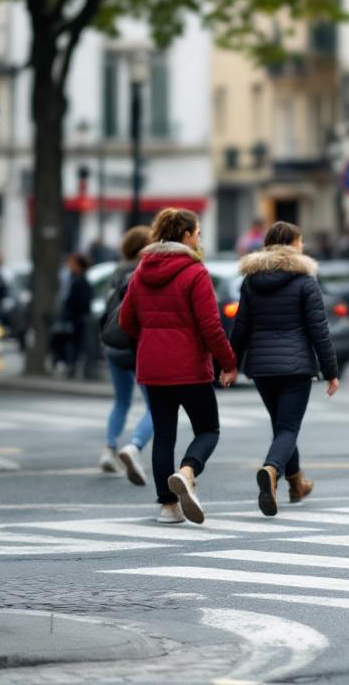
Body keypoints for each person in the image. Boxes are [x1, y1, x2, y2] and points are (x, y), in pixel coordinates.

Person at [120, 208, 238, 524]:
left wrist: (151, 341)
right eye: (198, 232)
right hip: (189, 367)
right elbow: (211, 326)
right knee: (208, 429)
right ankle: (187, 471)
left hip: (152, 368)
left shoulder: (141, 271)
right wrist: (228, 363)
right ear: (186, 236)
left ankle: (168, 507)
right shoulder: (195, 272)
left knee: (163, 435)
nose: (200, 238)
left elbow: (125, 320)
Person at [230, 221, 340, 517]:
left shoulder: (251, 281)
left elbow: (240, 327)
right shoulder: (305, 281)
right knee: (288, 428)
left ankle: (296, 484)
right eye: (300, 241)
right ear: (292, 244)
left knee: (282, 426)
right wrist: (331, 371)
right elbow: (320, 330)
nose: (303, 246)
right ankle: (271, 470)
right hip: (295, 367)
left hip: (262, 368)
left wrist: (229, 365)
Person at [97, 226, 155, 485]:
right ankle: (134, 446)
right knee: (154, 406)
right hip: (136, 347)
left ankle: (109, 448)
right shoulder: (141, 272)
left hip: (113, 346)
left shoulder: (115, 272)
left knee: (121, 401)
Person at [56, 253, 94, 377]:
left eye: (72, 264)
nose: (69, 266)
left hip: (75, 318)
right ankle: (71, 367)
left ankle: (71, 368)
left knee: (73, 345)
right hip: (75, 318)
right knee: (72, 344)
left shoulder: (79, 281)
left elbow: (80, 302)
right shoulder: (76, 279)